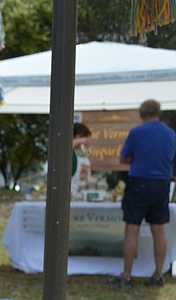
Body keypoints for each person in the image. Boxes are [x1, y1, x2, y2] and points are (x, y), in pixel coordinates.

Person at [108, 99, 176, 288]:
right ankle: (157, 275)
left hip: (140, 183)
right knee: (159, 229)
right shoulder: (170, 134)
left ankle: (127, 275)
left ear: (141, 114)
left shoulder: (137, 132)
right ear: (159, 113)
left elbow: (123, 157)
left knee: (132, 228)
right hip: (162, 184)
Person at [72, 122, 92, 194]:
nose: (84, 139)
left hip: (85, 194)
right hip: (71, 194)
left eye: (85, 136)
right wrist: (81, 140)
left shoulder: (84, 154)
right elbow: (67, 145)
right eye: (81, 136)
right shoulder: (70, 153)